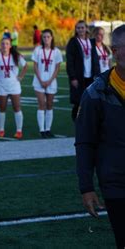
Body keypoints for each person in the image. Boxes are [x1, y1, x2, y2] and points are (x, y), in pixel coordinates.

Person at [75, 24, 125, 249]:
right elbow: (85, 143)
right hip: (116, 182)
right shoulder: (95, 92)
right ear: (114, 52)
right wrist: (86, 187)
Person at [66, 20, 100, 121]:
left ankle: (87, 121)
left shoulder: (91, 42)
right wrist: (72, 77)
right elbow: (70, 60)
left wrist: (97, 75)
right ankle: (77, 121)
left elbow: (95, 59)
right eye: (78, 28)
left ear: (86, 29)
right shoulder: (73, 42)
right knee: (78, 101)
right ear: (76, 30)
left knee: (90, 99)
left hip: (90, 76)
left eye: (82, 27)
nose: (80, 30)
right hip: (79, 76)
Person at [32, 29, 63, 138]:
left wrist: (49, 81)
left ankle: (48, 129)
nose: (46, 39)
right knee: (41, 105)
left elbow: (57, 68)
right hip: (39, 81)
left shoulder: (57, 51)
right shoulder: (38, 50)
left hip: (51, 81)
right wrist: (41, 80)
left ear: (52, 38)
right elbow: (35, 66)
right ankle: (42, 130)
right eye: (44, 37)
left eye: (48, 37)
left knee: (49, 105)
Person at [0, 37, 28, 139]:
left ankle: (19, 130)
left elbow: (25, 65)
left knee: (17, 107)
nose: (5, 46)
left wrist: (21, 76)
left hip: (14, 86)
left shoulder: (15, 56)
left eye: (7, 44)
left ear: (10, 45)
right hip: (2, 86)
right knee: (2, 108)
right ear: (0, 46)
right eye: (3, 44)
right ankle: (1, 130)